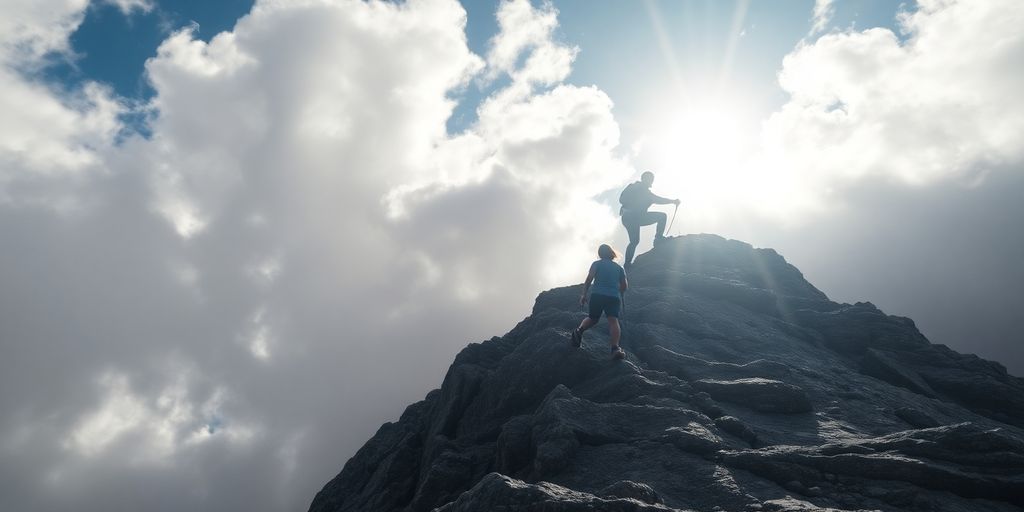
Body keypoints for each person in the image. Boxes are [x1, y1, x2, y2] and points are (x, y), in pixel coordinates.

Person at [571, 244, 629, 359]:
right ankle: (615, 348)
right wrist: (620, 291)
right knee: (613, 321)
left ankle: (579, 331)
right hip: (613, 296)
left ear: (600, 254)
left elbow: (588, 280)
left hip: (597, 295)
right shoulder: (619, 268)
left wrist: (583, 295)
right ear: (611, 253)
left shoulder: (596, 264)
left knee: (593, 318)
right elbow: (624, 286)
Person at [619, 171, 680, 268]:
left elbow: (621, 199)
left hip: (629, 217)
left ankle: (627, 264)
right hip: (634, 217)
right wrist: (673, 201)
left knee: (634, 241)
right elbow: (659, 200)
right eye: (650, 179)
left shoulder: (636, 188)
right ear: (646, 179)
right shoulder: (642, 191)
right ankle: (658, 238)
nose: (650, 181)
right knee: (661, 216)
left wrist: (672, 201)